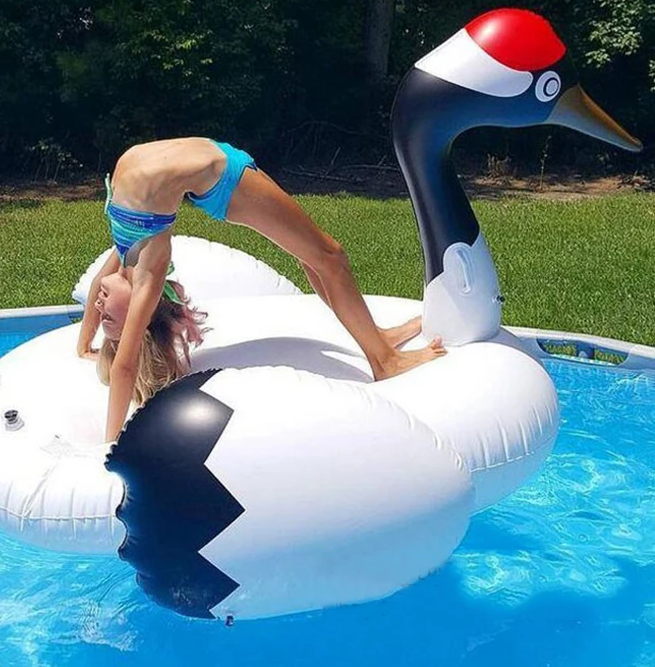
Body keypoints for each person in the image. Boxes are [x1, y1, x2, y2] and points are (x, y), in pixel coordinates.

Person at [78, 137, 446, 441]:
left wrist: (85, 343)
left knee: (312, 257)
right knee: (331, 256)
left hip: (222, 163)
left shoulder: (125, 252)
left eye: (100, 312)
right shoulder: (149, 271)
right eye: (110, 317)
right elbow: (125, 366)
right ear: (141, 315)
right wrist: (111, 445)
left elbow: (96, 287)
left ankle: (376, 337)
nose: (100, 304)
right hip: (224, 182)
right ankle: (385, 361)